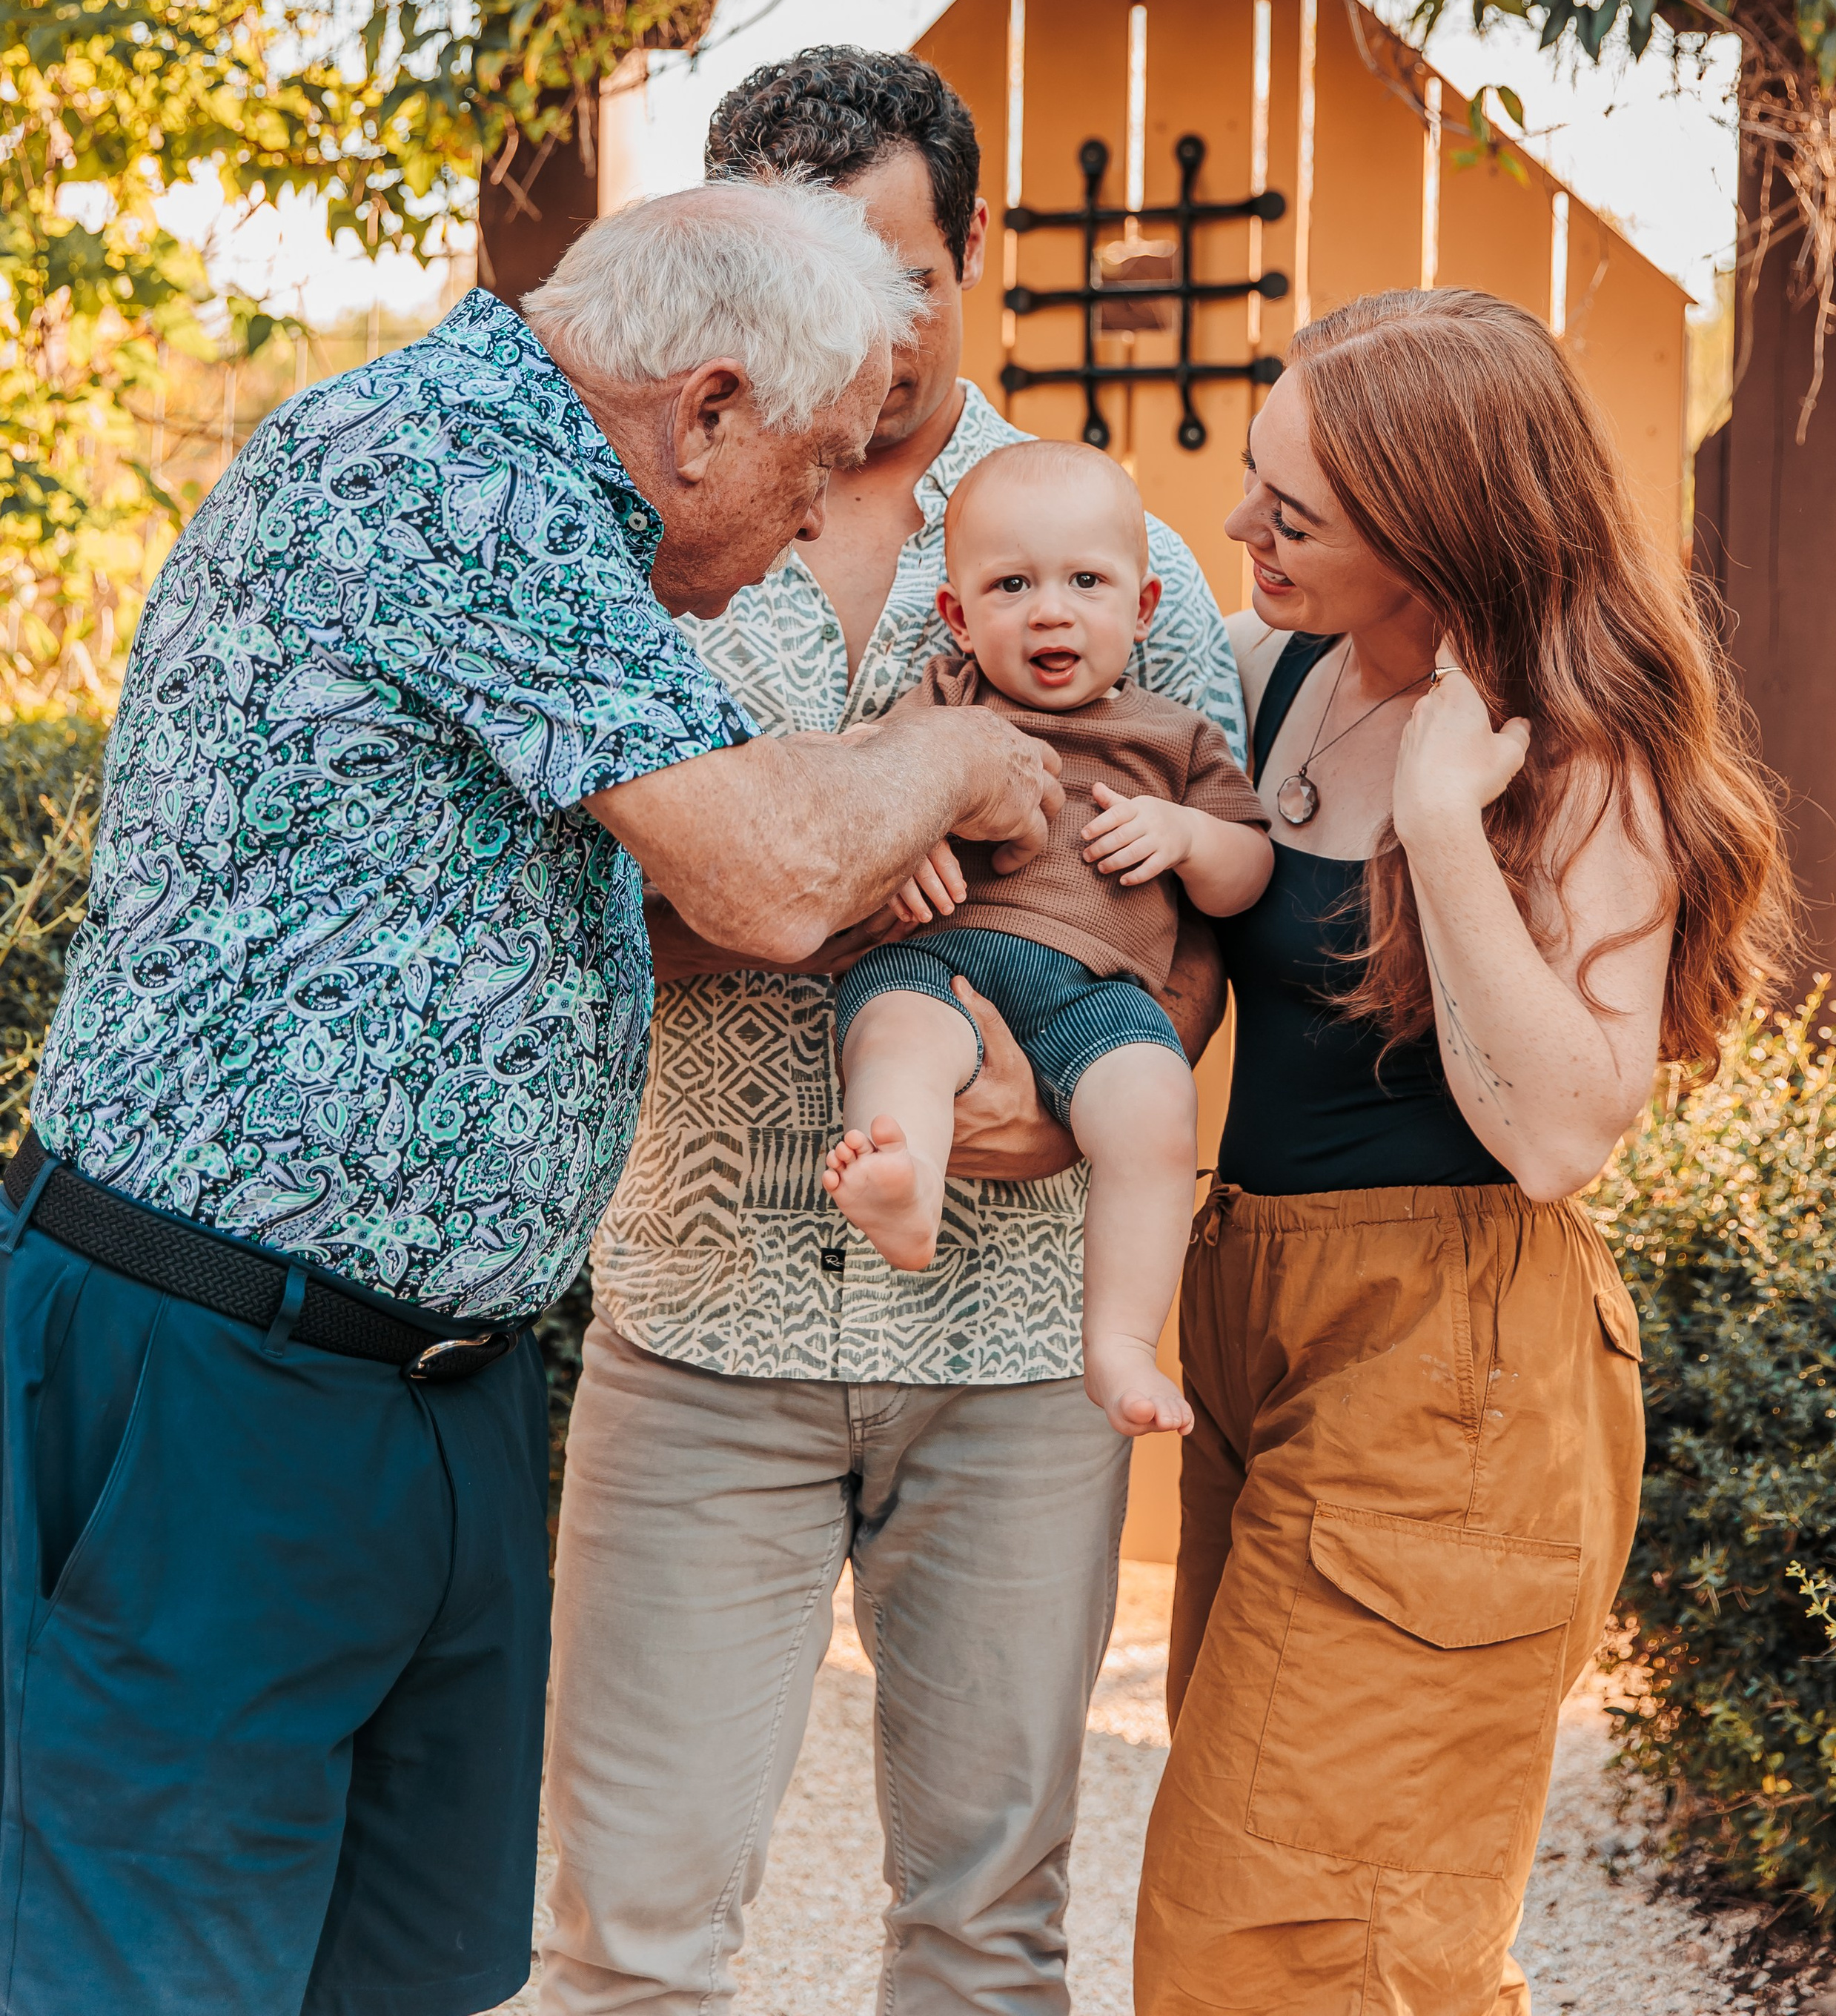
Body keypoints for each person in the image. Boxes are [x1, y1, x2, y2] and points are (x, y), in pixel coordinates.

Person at [6, 177, 1061, 2016]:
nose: (816, 520)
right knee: (154, 1978)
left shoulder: (557, 504)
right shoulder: (451, 470)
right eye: (814, 464)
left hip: (435, 1384)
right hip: (225, 1373)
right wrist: (957, 753)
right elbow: (764, 870)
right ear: (706, 408)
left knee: (405, 1976)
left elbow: (572, 916)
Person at [541, 48, 1245, 2016]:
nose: (862, 324)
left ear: (974, 250)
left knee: (988, 1935)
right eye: (809, 274)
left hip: (1018, 1352)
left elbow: (1209, 905)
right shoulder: (629, 545)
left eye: (902, 274)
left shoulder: (1117, 552)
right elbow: (567, 900)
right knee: (626, 1939)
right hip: (701, 1330)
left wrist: (1095, 1084)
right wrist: (819, 890)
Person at [1131, 288, 1797, 2016]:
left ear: (1432, 532)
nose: (1239, 526)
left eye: (1292, 513)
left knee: (1281, 1955)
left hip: (1454, 1372)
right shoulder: (1278, 666)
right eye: (1255, 480)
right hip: (1256, 1321)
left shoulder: (1572, 753)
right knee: (1318, 1929)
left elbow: (1561, 1130)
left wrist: (1438, 822)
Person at [826, 441, 1272, 1437]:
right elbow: (861, 785)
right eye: (1012, 586)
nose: (1051, 613)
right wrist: (904, 836)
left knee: (1156, 1110)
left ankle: (1119, 1344)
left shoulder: (1172, 737)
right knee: (896, 1037)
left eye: (1086, 583)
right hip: (937, 956)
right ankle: (907, 1182)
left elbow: (1247, 872)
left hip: (1096, 994)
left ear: (1143, 608)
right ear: (958, 617)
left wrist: (1186, 836)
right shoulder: (947, 699)